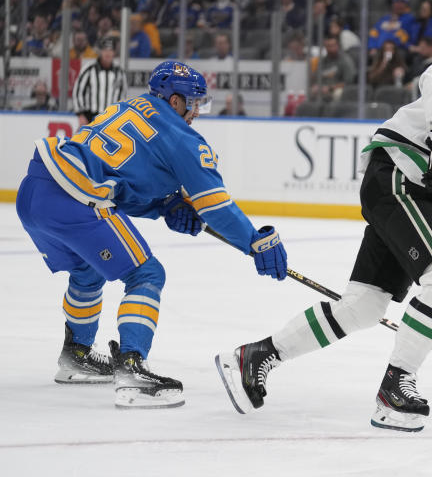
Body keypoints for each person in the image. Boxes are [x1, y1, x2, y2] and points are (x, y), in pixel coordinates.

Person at [215, 26, 432, 432]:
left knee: (363, 306)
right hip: (400, 177)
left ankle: (256, 357)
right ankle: (395, 388)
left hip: (408, 189)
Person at [15, 60, 287, 408]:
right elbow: (214, 204)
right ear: (175, 101)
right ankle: (132, 370)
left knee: (87, 269)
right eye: (194, 103)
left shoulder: (126, 107)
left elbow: (119, 183)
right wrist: (254, 242)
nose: (197, 112)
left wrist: (164, 207)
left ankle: (76, 356)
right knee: (147, 273)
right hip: (76, 197)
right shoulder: (181, 136)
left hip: (35, 189)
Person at [72, 37, 126, 126]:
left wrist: (120, 116)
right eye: (105, 50)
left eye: (110, 50)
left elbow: (123, 96)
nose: (107, 53)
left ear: (114, 53)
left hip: (112, 118)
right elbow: (78, 91)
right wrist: (80, 114)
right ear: (100, 52)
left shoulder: (119, 72)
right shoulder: (89, 69)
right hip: (91, 117)